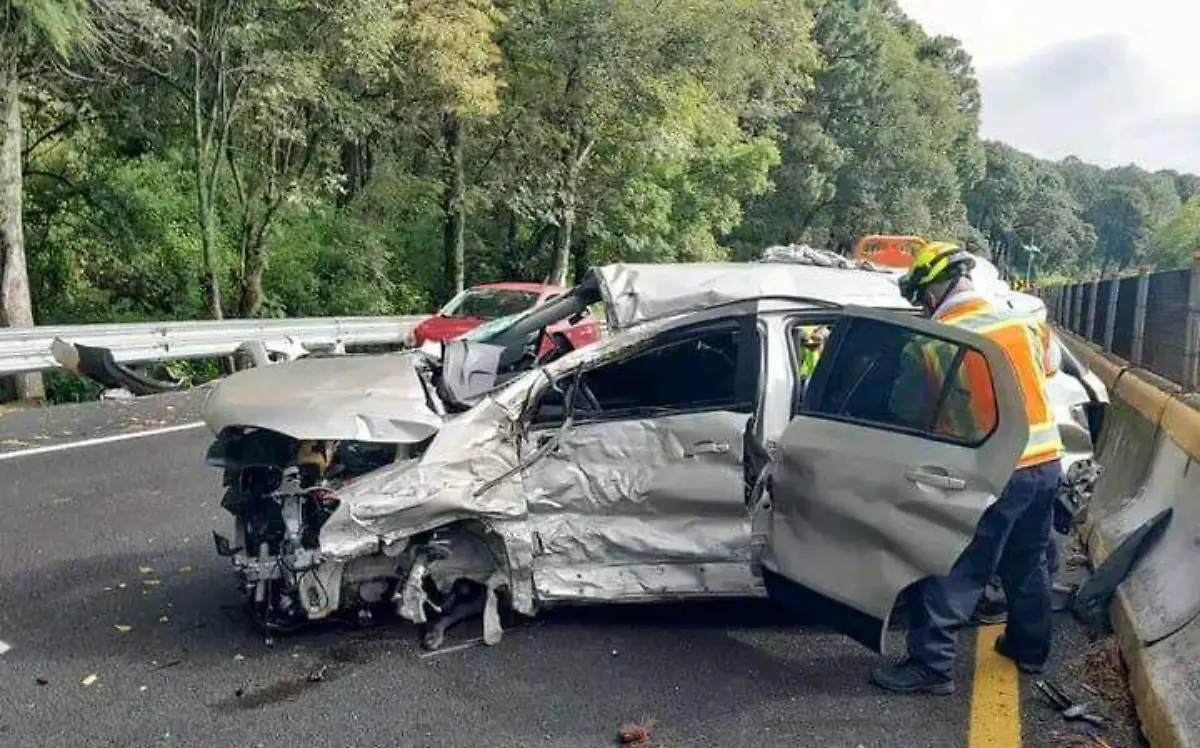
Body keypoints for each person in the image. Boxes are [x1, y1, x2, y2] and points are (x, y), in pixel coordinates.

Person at [870, 241, 1065, 695]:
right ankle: (1030, 649)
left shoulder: (936, 341)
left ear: (932, 292)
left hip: (992, 468)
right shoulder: (1022, 320)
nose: (923, 307)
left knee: (956, 563)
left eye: (921, 299)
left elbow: (907, 408)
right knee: (1027, 560)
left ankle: (932, 667)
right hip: (1044, 461)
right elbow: (1050, 369)